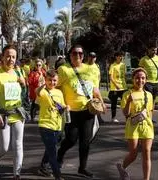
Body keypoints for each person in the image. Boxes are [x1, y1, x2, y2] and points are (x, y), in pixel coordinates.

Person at [56, 45, 106, 178]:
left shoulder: (89, 69)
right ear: (70, 55)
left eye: (80, 53)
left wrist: (101, 101)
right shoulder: (63, 69)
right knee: (71, 139)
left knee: (85, 141)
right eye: (74, 53)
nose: (77, 55)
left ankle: (82, 168)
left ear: (83, 56)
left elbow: (94, 88)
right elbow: (57, 87)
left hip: (87, 110)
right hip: (71, 111)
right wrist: (60, 104)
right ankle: (60, 153)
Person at [0, 44, 27, 180]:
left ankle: (17, 174)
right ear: (3, 57)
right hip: (3, 115)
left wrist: (23, 85)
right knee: (4, 147)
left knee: (18, 145)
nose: (11, 59)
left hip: (17, 114)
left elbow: (23, 95)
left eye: (14, 57)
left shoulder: (19, 72)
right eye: (8, 56)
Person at [117, 67, 154, 180]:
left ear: (146, 80)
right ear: (133, 79)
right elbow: (126, 114)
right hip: (133, 127)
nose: (140, 80)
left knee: (147, 152)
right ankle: (121, 167)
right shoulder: (127, 94)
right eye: (137, 78)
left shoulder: (149, 95)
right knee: (133, 154)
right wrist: (128, 101)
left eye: (143, 78)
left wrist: (150, 125)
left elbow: (150, 112)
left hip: (147, 127)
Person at [36, 70, 68, 180]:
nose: (52, 82)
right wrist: (42, 85)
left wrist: (66, 108)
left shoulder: (59, 92)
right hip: (45, 125)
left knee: (51, 147)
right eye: (50, 80)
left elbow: (62, 106)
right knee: (53, 152)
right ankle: (57, 175)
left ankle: (43, 167)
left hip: (57, 126)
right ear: (46, 80)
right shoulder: (43, 91)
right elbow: (37, 92)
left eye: (54, 80)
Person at [139, 43, 158, 123]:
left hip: (156, 82)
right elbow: (140, 71)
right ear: (148, 50)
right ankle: (145, 116)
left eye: (155, 50)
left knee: (153, 100)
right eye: (152, 50)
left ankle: (150, 117)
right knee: (147, 100)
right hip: (148, 82)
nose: (154, 51)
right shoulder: (144, 59)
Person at [85, 52, 106, 124]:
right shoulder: (84, 66)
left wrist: (98, 84)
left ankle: (98, 118)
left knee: (97, 103)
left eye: (93, 57)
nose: (92, 58)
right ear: (88, 57)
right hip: (88, 89)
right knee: (90, 104)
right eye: (90, 56)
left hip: (96, 88)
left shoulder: (97, 66)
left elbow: (99, 76)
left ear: (95, 58)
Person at [108, 51, 127, 123]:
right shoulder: (113, 65)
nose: (121, 57)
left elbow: (124, 76)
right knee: (114, 103)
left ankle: (127, 117)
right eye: (119, 56)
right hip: (115, 88)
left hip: (123, 87)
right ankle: (113, 118)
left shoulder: (123, 65)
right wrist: (116, 85)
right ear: (116, 57)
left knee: (125, 103)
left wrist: (125, 85)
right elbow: (110, 77)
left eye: (122, 56)